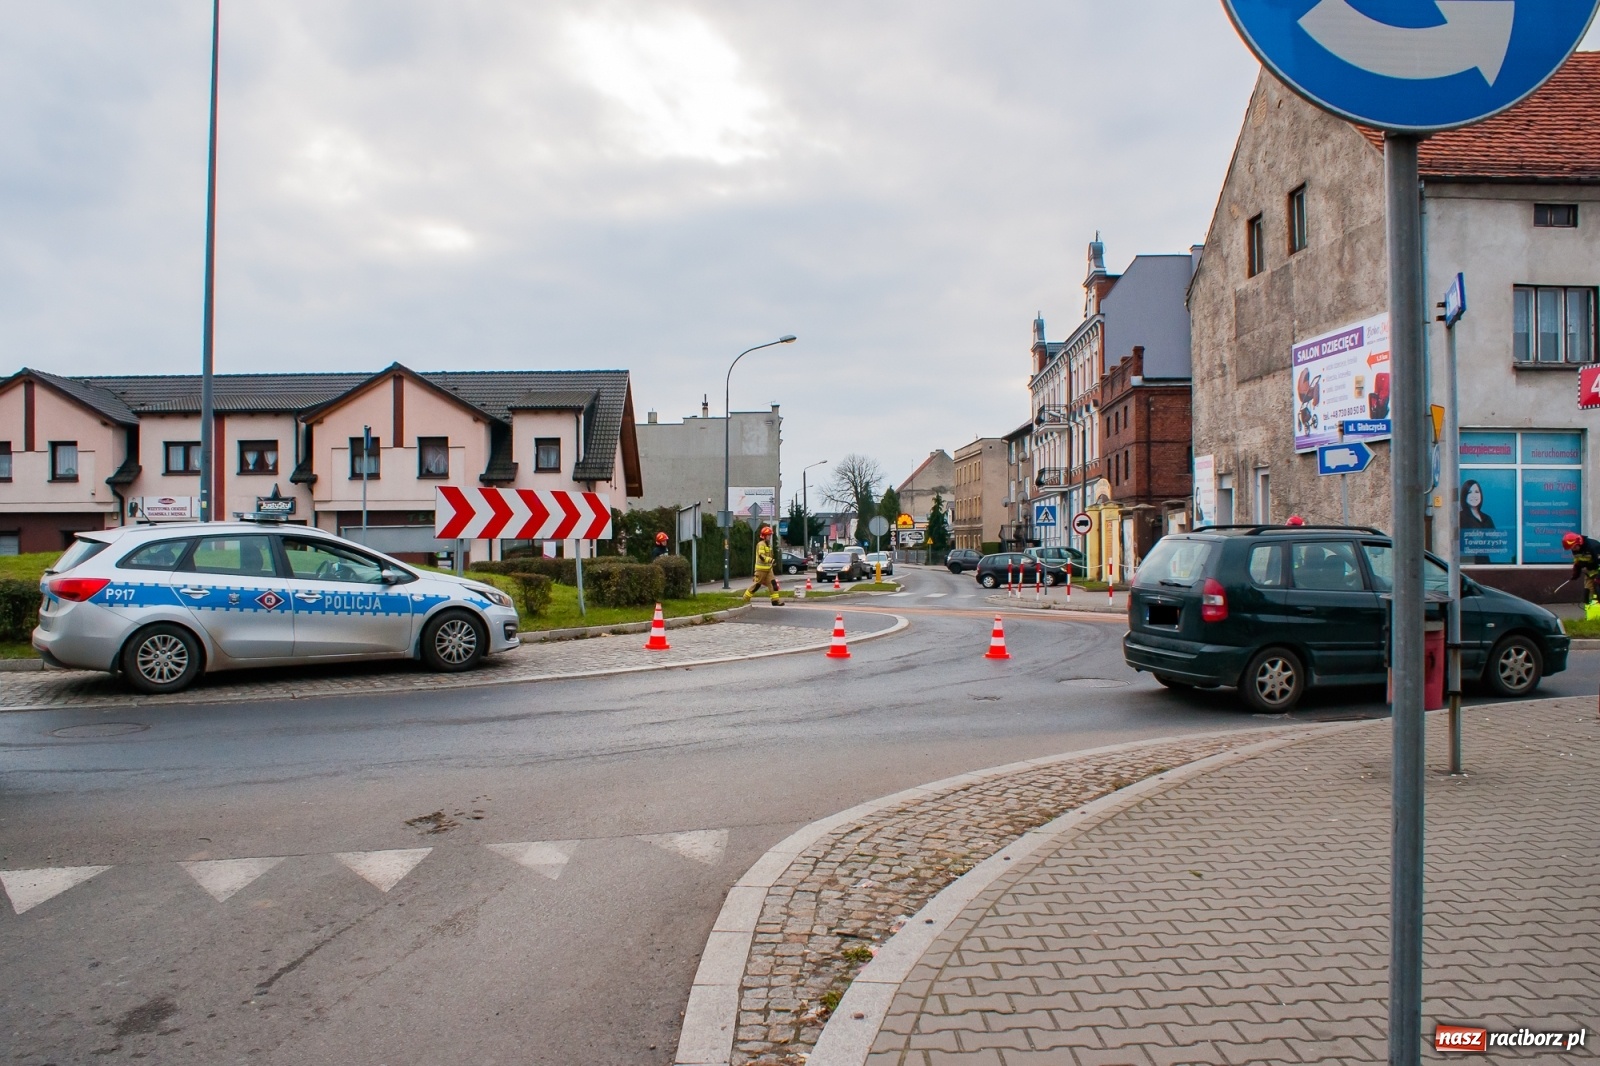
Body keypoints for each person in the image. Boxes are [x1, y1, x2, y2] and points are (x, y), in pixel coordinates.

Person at [744, 526, 783, 605]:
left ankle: (775, 601)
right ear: (764, 536)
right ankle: (745, 599)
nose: (770, 537)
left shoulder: (768, 545)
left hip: (768, 569)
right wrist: (770, 560)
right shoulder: (761, 544)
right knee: (756, 585)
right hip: (761, 570)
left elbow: (770, 556)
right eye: (768, 535)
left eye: (770, 535)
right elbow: (761, 556)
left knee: (773, 584)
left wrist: (772, 562)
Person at [1563, 532, 1599, 604]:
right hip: (1590, 573)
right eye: (1571, 548)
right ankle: (1590, 610)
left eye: (1574, 547)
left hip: (1598, 571)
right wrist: (1576, 572)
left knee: (1598, 590)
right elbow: (1578, 561)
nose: (1574, 550)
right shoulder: (1575, 549)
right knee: (1588, 591)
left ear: (1579, 542)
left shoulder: (1594, 547)